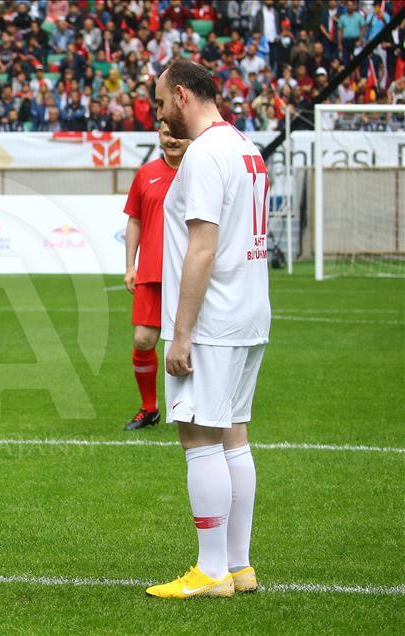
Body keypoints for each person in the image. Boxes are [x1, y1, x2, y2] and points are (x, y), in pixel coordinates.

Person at [148, 59, 270, 599]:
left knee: (200, 440)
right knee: (234, 437)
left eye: (158, 104)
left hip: (213, 319)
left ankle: (212, 570)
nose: (158, 116)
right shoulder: (246, 146)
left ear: (180, 96)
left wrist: (181, 333)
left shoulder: (204, 153)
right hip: (248, 312)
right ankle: (239, 566)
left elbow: (202, 247)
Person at [122, 120, 189, 431]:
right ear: (158, 136)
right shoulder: (145, 174)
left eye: (177, 134)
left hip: (189, 274)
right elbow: (134, 220)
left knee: (193, 343)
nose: (172, 140)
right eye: (166, 134)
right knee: (144, 340)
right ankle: (150, 408)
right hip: (151, 271)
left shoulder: (198, 171)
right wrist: (130, 266)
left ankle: (194, 406)